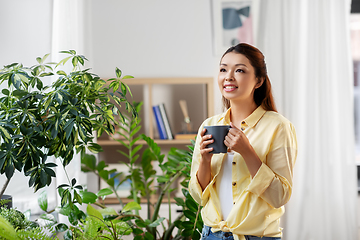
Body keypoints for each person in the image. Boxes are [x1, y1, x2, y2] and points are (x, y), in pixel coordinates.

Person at [188, 43, 297, 240]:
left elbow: (280, 196)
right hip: (211, 234)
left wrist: (247, 151)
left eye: (239, 70)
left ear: (258, 81)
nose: (228, 76)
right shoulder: (209, 125)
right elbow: (198, 197)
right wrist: (204, 160)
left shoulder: (279, 127)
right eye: (223, 69)